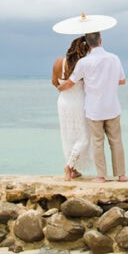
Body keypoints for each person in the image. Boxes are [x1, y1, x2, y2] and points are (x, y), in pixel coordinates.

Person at [58, 31, 127, 183]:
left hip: (94, 109)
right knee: (116, 141)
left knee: (97, 142)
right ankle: (121, 175)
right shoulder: (114, 58)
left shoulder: (84, 62)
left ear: (88, 44)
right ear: (100, 41)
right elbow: (122, 81)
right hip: (112, 106)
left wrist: (60, 88)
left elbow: (71, 81)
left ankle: (101, 176)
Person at [51, 36, 94, 180]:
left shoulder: (58, 62)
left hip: (63, 101)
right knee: (84, 136)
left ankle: (74, 169)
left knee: (68, 135)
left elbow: (54, 82)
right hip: (79, 101)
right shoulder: (82, 65)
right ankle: (69, 166)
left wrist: (62, 88)